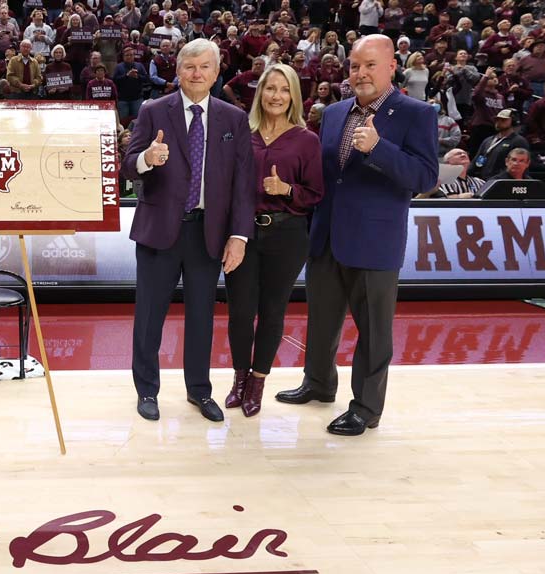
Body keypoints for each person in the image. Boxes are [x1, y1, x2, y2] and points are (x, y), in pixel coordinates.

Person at [276, 34, 437, 436]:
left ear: (392, 67)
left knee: (374, 331)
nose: (360, 73)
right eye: (354, 65)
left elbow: (425, 178)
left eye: (370, 65)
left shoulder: (416, 114)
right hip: (327, 234)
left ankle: (366, 408)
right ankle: (318, 383)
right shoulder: (333, 113)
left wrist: (380, 149)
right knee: (322, 319)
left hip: (375, 241)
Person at [120, 37, 256, 422]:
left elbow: (243, 185)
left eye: (205, 67)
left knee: (201, 318)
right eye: (189, 66)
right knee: (149, 317)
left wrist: (239, 235)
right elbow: (127, 165)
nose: (197, 73)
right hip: (159, 231)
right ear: (177, 71)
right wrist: (147, 158)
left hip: (207, 234)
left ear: (216, 73)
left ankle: (199, 390)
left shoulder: (233, 118)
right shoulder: (152, 110)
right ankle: (147, 390)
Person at [226, 63, 323, 418]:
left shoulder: (307, 140)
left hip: (287, 234)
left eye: (284, 90)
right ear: (259, 93)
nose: (276, 96)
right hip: (243, 234)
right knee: (239, 312)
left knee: (271, 312)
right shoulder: (242, 133)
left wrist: (286, 190)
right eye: (271, 89)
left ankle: (258, 380)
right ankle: (238, 378)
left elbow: (315, 193)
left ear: (293, 96)